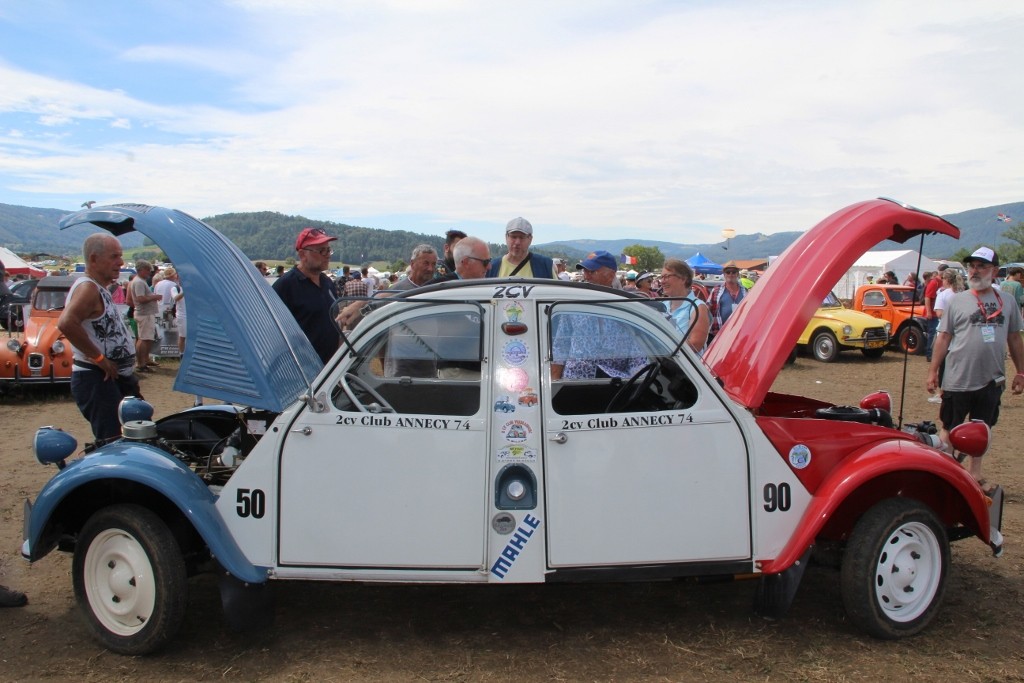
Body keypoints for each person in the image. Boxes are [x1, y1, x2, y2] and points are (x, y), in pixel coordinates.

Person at [926, 247, 1024, 492]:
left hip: (992, 379)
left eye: (981, 266)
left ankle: (975, 474)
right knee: (949, 426)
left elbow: (1014, 338)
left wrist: (1021, 372)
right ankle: (945, 473)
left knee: (982, 428)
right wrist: (933, 371)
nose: (975, 271)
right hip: (958, 378)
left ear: (994, 270)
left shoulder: (1008, 301)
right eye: (972, 266)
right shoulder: (956, 300)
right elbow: (943, 337)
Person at [58, 233, 142, 441]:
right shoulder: (88, 288)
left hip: (112, 377)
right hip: (97, 378)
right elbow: (66, 323)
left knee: (139, 431)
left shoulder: (98, 287)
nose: (120, 262)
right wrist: (99, 358)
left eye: (120, 256)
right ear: (94, 259)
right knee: (114, 440)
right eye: (114, 256)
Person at [550, 251, 649, 380]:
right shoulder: (573, 306)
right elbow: (560, 347)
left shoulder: (625, 308)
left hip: (615, 383)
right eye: (585, 271)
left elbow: (637, 355)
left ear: (611, 275)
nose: (586, 276)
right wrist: (555, 383)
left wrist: (636, 384)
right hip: (575, 381)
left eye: (592, 272)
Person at [272, 227, 340, 364]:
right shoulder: (285, 286)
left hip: (330, 367)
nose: (327, 255)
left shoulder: (327, 282)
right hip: (302, 368)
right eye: (322, 250)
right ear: (303, 254)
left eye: (328, 250)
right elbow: (272, 332)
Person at [660, 258, 711, 354]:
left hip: (683, 363)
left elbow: (695, 345)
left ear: (683, 279)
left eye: (667, 277)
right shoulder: (662, 306)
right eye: (661, 277)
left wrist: (661, 347)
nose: (662, 281)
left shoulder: (697, 307)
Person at [485, 217, 556, 279]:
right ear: (506, 237)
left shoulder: (545, 266)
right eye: (513, 237)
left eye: (522, 237)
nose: (517, 242)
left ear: (530, 239)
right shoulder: (492, 268)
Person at [128, 260, 162, 372]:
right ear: (141, 270)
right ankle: (141, 364)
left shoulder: (139, 281)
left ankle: (145, 360)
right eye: (147, 270)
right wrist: (154, 297)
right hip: (144, 314)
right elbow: (140, 298)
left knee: (147, 338)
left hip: (146, 313)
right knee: (143, 339)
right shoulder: (139, 282)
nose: (149, 272)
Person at [707, 265, 748, 342]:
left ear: (737, 274)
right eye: (728, 272)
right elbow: (707, 309)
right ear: (724, 274)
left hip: (738, 333)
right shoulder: (716, 290)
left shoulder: (745, 291)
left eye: (733, 272)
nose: (730, 274)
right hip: (718, 333)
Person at [924, 263, 949, 361]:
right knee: (932, 334)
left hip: (940, 313)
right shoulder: (934, 282)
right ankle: (929, 354)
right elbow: (927, 297)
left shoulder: (942, 282)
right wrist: (929, 312)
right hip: (934, 313)